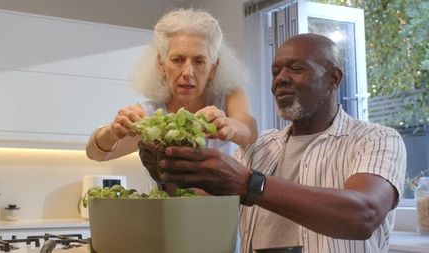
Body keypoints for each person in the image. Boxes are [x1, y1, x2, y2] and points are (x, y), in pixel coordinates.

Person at [138, 33, 407, 253]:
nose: (280, 79)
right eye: (275, 71)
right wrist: (166, 174)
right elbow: (205, 211)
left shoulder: (376, 139)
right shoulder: (259, 145)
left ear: (333, 79)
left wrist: (249, 184)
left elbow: (363, 214)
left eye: (296, 69)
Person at [86, 8, 257, 162]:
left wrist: (229, 126)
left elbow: (249, 132)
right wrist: (113, 130)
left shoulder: (229, 98)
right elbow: (95, 154)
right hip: (164, 199)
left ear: (213, 68)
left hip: (225, 198)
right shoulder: (150, 116)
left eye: (199, 61)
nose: (188, 72)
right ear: (161, 65)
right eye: (178, 60)